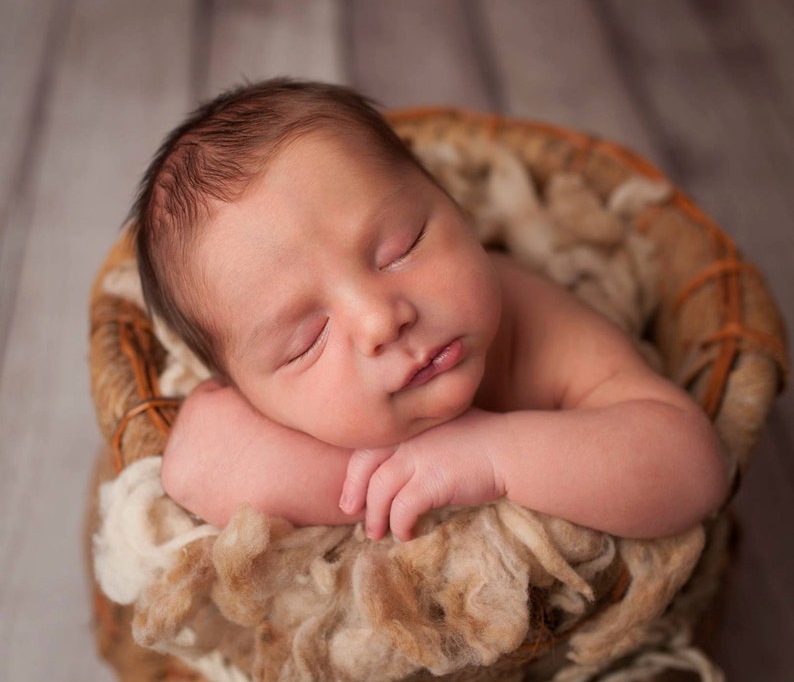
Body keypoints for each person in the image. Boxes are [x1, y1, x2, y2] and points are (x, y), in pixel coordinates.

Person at [129, 78, 729, 543]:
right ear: (243, 392)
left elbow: (690, 466)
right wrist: (400, 474)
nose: (380, 320)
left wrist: (491, 455)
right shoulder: (253, 413)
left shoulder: (533, 323)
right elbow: (198, 467)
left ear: (451, 200)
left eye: (400, 248)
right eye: (308, 339)